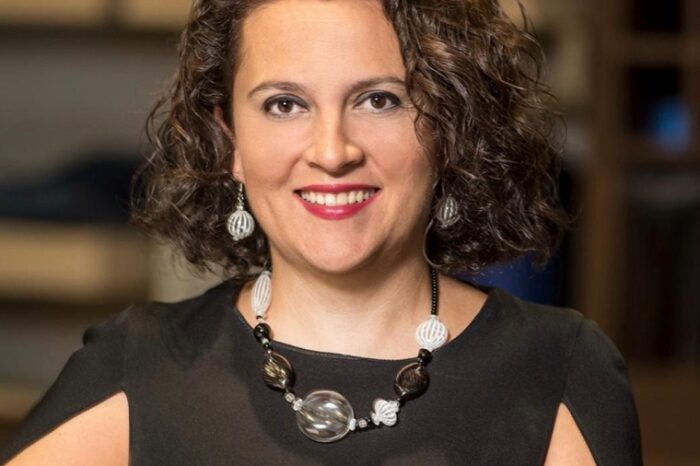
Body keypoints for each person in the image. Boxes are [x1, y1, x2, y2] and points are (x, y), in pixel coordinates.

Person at [0, 0, 642, 464]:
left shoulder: (561, 370)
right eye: (285, 104)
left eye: (379, 100)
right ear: (231, 141)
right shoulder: (137, 365)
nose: (332, 152)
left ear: (449, 125)